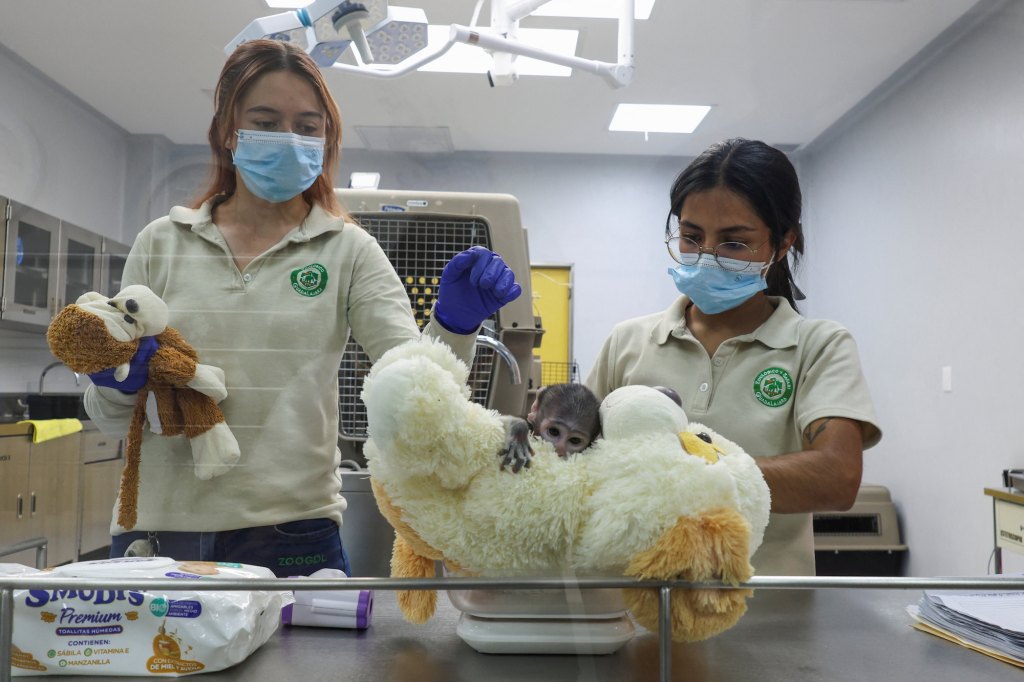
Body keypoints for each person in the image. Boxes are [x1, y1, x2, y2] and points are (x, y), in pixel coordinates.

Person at [83, 39, 521, 577]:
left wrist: (454, 324)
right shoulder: (162, 243)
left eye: (307, 127)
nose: (288, 140)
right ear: (228, 132)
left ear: (327, 137)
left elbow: (413, 393)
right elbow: (110, 415)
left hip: (293, 533)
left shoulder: (348, 249)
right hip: (157, 530)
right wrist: (113, 381)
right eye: (265, 122)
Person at [586, 138, 881, 576]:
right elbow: (570, 457)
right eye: (691, 236)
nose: (706, 256)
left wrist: (681, 474)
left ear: (782, 243)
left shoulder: (818, 346)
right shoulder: (627, 341)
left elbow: (836, 477)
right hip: (636, 610)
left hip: (769, 618)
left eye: (734, 243)